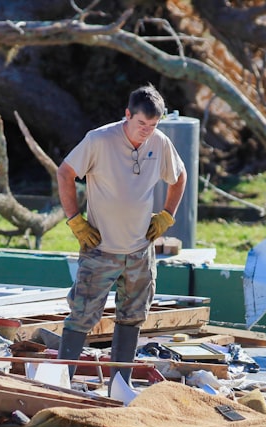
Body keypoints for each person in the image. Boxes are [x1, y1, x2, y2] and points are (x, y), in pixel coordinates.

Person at [56, 84, 187, 392]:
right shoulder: (99, 140)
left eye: (153, 125)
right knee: (81, 315)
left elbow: (179, 176)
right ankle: (61, 382)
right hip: (100, 248)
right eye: (141, 124)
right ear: (127, 115)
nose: (146, 131)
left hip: (139, 251)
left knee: (132, 317)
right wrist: (75, 220)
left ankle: (120, 386)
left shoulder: (160, 143)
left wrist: (167, 214)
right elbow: (65, 172)